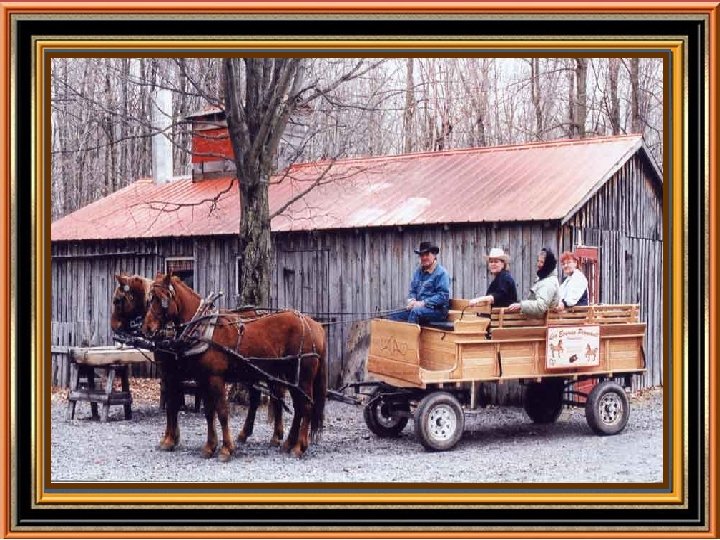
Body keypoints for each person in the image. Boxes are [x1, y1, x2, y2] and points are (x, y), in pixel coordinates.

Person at [390, 241, 450, 324]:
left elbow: (443, 296)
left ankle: (409, 337)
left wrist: (423, 303)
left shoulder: (441, 273)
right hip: (420, 309)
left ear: (434, 255)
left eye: (427, 254)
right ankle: (395, 337)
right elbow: (413, 291)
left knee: (415, 312)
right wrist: (412, 301)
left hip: (438, 311)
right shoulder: (418, 272)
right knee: (395, 315)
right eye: (422, 255)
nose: (424, 257)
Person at [506, 247, 560, 316]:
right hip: (536, 322)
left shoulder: (549, 282)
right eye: (538, 261)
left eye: (542, 262)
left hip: (538, 323)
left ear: (548, 264)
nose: (538, 264)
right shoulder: (543, 279)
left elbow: (541, 306)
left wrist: (521, 305)